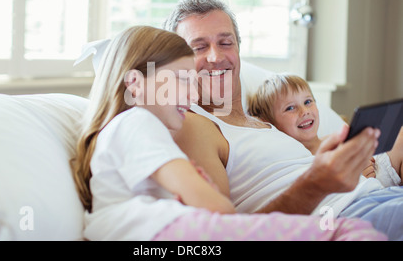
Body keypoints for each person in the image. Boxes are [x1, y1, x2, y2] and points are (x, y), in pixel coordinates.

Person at [70, 25, 385, 241]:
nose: (191, 96)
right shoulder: (137, 121)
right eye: (179, 80)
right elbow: (216, 209)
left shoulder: (125, 136)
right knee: (346, 230)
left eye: (192, 83)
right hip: (177, 231)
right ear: (134, 83)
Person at [163, 0, 403, 240]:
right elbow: (227, 233)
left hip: (379, 195)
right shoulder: (194, 125)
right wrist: (317, 182)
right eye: (199, 47)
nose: (216, 56)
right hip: (347, 217)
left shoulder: (264, 120)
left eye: (226, 43)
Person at [247, 73, 402, 187]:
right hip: (357, 188)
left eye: (308, 102)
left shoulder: (333, 139)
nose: (304, 111)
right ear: (270, 123)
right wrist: (359, 178)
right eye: (290, 108)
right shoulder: (296, 160)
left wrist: (366, 159)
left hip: (376, 171)